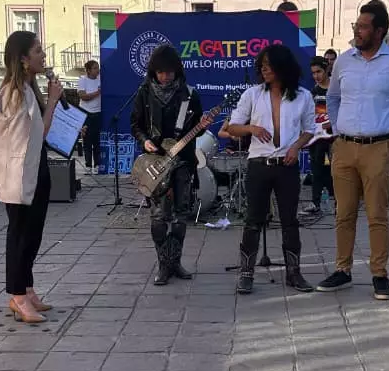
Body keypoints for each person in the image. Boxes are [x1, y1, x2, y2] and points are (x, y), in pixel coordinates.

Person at [318, 0, 389, 301]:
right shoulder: (344, 61)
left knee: (377, 214)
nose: (357, 31)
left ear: (379, 31)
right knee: (343, 213)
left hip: (379, 147)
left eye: (364, 27)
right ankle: (342, 270)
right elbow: (333, 98)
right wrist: (337, 130)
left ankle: (379, 274)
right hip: (344, 147)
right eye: (357, 25)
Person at [224, 44, 316, 294]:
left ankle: (294, 273)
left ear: (282, 67)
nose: (264, 70)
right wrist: (251, 129)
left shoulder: (303, 96)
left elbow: (310, 129)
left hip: (287, 166)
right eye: (261, 66)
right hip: (259, 165)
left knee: (290, 221)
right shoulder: (252, 94)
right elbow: (232, 127)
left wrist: (296, 147)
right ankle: (246, 273)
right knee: (253, 220)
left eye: (269, 65)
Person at [0, 30, 62, 324]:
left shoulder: (28, 89)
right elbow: (36, 134)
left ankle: (28, 289)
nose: (43, 56)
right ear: (23, 58)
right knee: (20, 235)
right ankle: (17, 295)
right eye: (37, 51)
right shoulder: (13, 93)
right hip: (19, 174)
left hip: (35, 168)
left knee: (34, 233)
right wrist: (53, 101)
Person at [130, 44, 210, 286]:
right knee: (158, 216)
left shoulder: (189, 94)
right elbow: (135, 124)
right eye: (160, 72)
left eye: (169, 72)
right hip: (156, 162)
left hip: (183, 161)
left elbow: (197, 128)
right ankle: (163, 264)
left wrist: (202, 126)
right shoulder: (144, 92)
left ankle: (175, 262)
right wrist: (144, 141)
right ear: (153, 72)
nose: (165, 76)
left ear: (177, 70)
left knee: (180, 215)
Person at [306, 56, 334, 211]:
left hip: (334, 136)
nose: (316, 76)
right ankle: (315, 202)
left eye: (319, 72)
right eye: (313, 73)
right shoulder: (313, 92)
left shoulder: (336, 89)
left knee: (336, 170)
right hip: (317, 137)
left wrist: (332, 122)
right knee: (316, 170)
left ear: (326, 70)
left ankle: (339, 202)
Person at [76, 58, 102, 172]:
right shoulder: (83, 80)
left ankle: (97, 164)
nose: (97, 70)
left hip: (98, 112)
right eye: (95, 68)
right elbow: (83, 96)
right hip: (86, 112)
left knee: (97, 139)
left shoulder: (101, 79)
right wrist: (98, 92)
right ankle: (88, 165)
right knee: (87, 139)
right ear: (88, 70)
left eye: (98, 68)